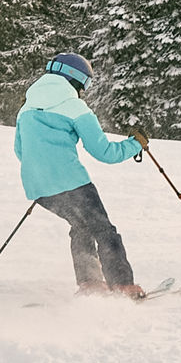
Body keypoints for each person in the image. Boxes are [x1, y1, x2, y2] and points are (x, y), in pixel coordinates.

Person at [14, 53, 151, 299]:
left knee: (80, 226)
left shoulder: (26, 108)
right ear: (77, 80)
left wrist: (44, 172)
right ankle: (122, 285)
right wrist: (135, 144)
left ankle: (90, 283)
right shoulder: (74, 106)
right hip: (72, 183)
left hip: (38, 187)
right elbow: (105, 152)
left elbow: (20, 151)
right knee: (103, 229)